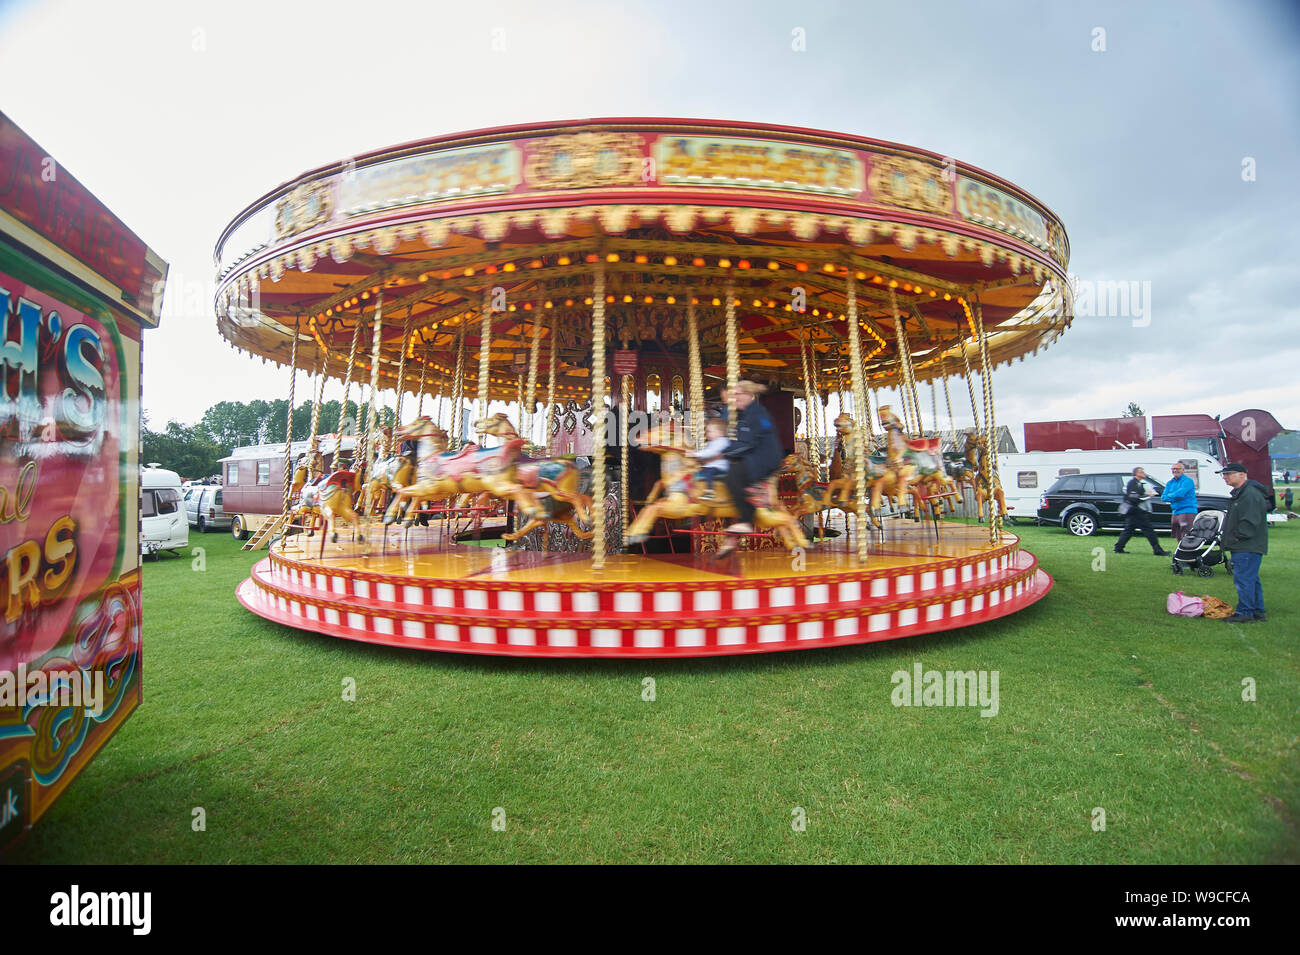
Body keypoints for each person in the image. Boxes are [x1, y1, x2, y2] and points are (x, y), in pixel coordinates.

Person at [716, 381, 784, 557]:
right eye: (734, 394)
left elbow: (747, 443)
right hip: (757, 454)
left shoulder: (755, 413)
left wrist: (723, 451)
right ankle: (735, 531)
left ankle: (745, 521)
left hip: (765, 457)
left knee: (733, 476)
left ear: (748, 395)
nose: (735, 398)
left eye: (738, 394)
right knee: (730, 476)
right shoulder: (746, 413)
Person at [1219, 462, 1270, 623]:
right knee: (1251, 579)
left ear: (1242, 474)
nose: (1225, 477)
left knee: (1244, 579)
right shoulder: (1242, 493)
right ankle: (1257, 611)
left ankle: (1245, 612)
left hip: (1246, 545)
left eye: (1229, 474)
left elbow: (1250, 522)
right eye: (1224, 474)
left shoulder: (1250, 494)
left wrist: (1236, 537)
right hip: (1245, 544)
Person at [1114, 466, 1169, 556]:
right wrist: (1149, 496)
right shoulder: (1133, 483)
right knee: (1149, 530)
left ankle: (1118, 548)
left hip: (1133, 510)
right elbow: (1134, 498)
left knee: (1128, 530)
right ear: (1137, 474)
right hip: (1136, 511)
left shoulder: (1137, 483)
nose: (1144, 474)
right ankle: (1157, 550)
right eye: (1142, 472)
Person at [1160, 462, 1198, 572]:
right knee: (1177, 535)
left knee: (1186, 534)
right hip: (1176, 511)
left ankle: (1188, 558)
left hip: (1187, 510)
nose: (1175, 470)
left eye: (1177, 468)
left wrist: (1170, 496)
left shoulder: (1188, 481)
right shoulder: (1170, 482)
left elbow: (1180, 494)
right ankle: (1182, 556)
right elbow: (1163, 497)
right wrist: (1173, 496)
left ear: (1183, 470)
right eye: (1173, 469)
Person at [687, 417, 729, 498]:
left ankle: (710, 492)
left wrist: (696, 454)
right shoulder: (712, 442)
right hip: (711, 465)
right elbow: (706, 453)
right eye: (707, 431)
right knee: (696, 471)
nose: (707, 434)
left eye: (710, 432)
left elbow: (710, 452)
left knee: (709, 472)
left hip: (719, 466)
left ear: (720, 433)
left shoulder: (722, 441)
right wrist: (697, 456)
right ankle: (695, 490)